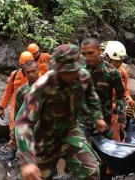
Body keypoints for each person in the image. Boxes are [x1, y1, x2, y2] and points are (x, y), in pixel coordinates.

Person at [15, 44, 106, 180]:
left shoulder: (83, 77)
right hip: (43, 138)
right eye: (65, 72)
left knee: (91, 171)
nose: (69, 75)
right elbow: (24, 121)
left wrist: (97, 117)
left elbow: (90, 97)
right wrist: (27, 161)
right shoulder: (42, 87)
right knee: (34, 176)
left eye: (72, 70)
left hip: (69, 130)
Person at [80, 38, 126, 142]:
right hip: (82, 121)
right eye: (84, 54)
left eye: (91, 53)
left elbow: (120, 96)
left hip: (104, 121)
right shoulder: (79, 70)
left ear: (99, 51)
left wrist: (121, 118)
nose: (87, 57)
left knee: (103, 152)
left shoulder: (111, 72)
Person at [0, 51, 35, 147]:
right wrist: (1, 107)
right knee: (13, 127)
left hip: (31, 106)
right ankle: (14, 148)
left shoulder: (36, 74)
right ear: (21, 63)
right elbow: (8, 91)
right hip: (16, 105)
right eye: (24, 64)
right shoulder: (15, 75)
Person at [103, 42, 135, 138]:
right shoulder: (99, 74)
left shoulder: (122, 73)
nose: (118, 64)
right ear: (107, 58)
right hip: (101, 114)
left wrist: (129, 99)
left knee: (117, 141)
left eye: (120, 61)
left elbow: (124, 90)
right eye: (115, 61)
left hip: (115, 115)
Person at [10, 60, 41, 149]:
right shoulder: (22, 91)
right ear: (24, 74)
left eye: (33, 71)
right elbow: (17, 113)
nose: (31, 74)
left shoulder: (48, 87)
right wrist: (13, 135)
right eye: (28, 72)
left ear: (38, 70)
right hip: (29, 127)